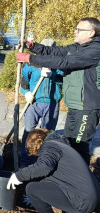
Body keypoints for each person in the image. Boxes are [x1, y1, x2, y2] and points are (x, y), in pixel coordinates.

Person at [17, 17, 100, 165]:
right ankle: (65, 176)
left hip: (87, 107)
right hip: (75, 105)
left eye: (79, 29)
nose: (75, 31)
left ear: (91, 33)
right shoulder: (76, 48)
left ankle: (80, 182)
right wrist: (33, 46)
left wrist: (31, 59)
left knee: (80, 147)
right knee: (68, 143)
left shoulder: (95, 50)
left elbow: (65, 62)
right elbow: (54, 52)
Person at [7, 128, 100, 213]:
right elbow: (55, 178)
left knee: (31, 189)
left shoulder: (49, 147)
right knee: (48, 180)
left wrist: (18, 176)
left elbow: (44, 167)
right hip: (91, 196)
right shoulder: (61, 146)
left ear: (36, 145)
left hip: (83, 201)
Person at [20, 39, 63, 166]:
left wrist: (53, 75)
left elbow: (63, 80)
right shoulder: (31, 64)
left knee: (48, 134)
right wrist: (26, 92)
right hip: (33, 103)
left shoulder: (59, 63)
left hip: (52, 103)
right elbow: (23, 81)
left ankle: (43, 162)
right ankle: (26, 161)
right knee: (28, 132)